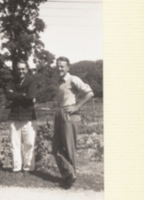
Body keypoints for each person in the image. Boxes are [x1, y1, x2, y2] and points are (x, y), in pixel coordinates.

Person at [52, 56, 94, 188]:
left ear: (68, 68)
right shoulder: (59, 82)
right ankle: (70, 174)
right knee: (55, 146)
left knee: (69, 148)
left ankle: (69, 177)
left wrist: (77, 107)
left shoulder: (73, 79)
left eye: (62, 66)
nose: (59, 68)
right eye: (58, 66)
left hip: (70, 115)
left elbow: (90, 93)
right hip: (59, 114)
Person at [5, 60, 37, 175]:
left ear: (27, 70)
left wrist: (16, 96)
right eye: (19, 69)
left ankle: (28, 169)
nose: (21, 71)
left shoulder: (31, 81)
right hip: (14, 117)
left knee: (29, 144)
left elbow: (31, 96)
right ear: (16, 70)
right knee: (15, 144)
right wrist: (23, 95)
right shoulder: (12, 82)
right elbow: (8, 95)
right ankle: (17, 168)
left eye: (23, 69)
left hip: (28, 117)